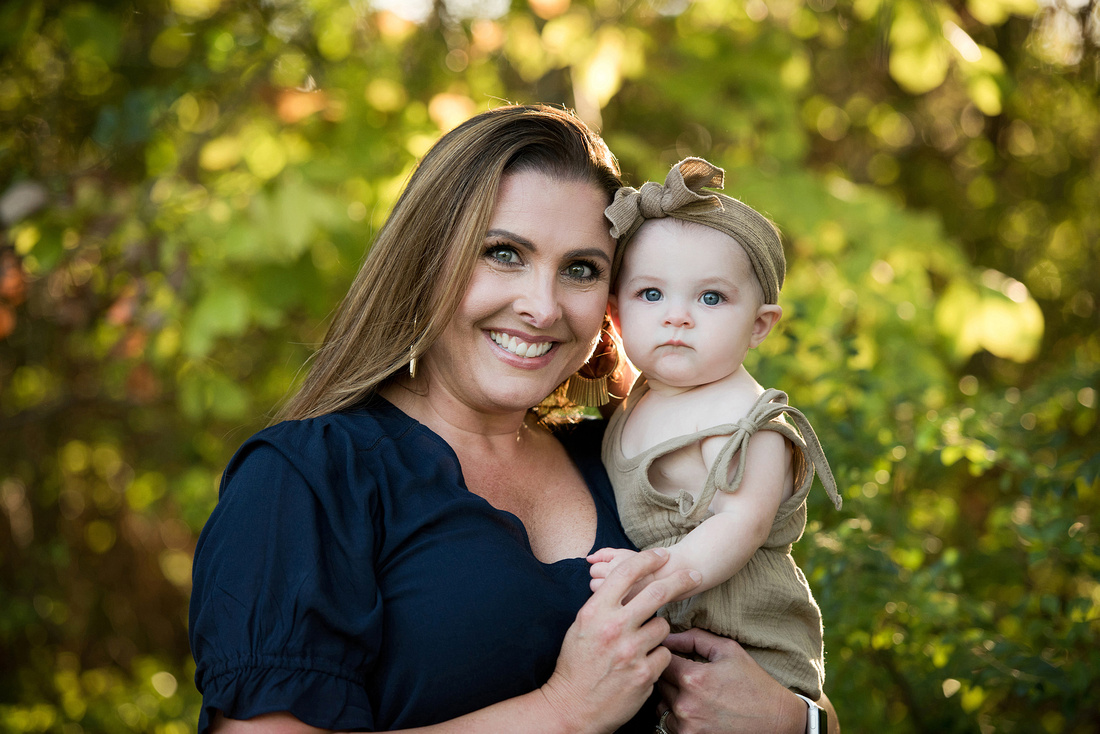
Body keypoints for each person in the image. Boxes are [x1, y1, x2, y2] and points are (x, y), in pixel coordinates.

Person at [188, 105, 838, 733]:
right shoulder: (308, 477)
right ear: (427, 258)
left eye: (581, 270)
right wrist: (562, 713)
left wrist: (795, 722)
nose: (541, 305)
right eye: (503, 253)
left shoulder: (625, 458)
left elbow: (778, 662)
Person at [589, 158, 843, 705]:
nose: (677, 316)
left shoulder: (747, 422)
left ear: (758, 325)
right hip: (673, 659)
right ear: (615, 315)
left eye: (710, 298)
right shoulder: (639, 400)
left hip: (757, 658)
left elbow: (739, 526)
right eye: (651, 295)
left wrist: (653, 572)